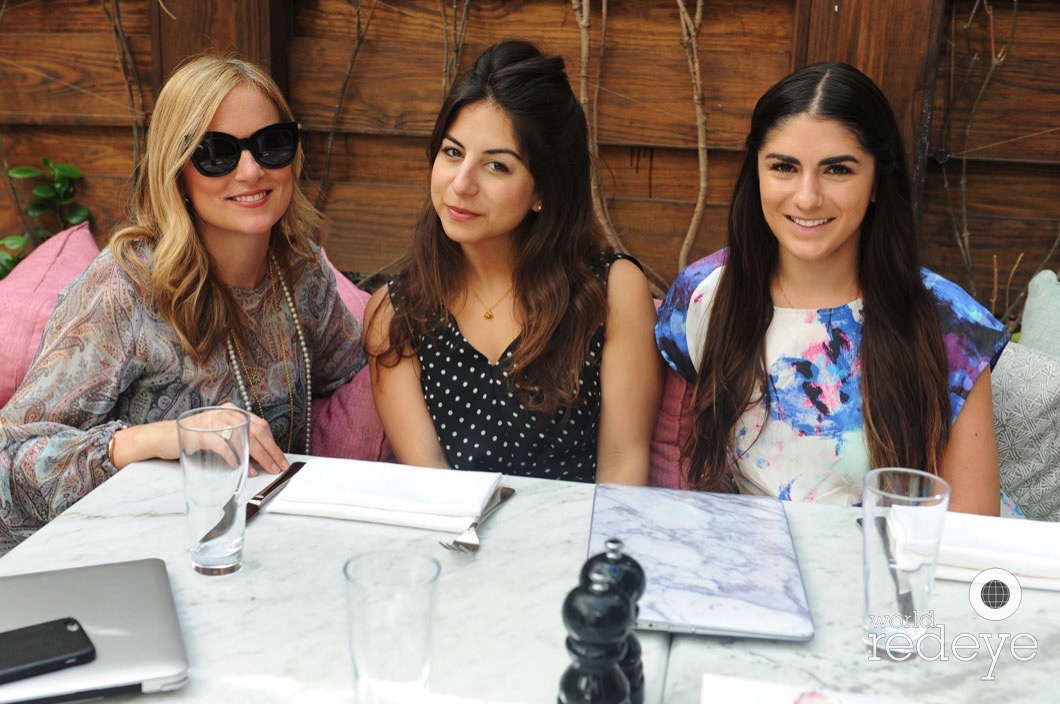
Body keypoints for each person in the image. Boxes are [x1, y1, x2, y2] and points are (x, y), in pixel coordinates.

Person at [0, 55, 364, 553]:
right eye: (217, 153)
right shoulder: (126, 286)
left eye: (271, 144)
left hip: (252, 550)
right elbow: (9, 459)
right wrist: (156, 439)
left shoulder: (299, 270)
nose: (252, 170)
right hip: (112, 561)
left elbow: (356, 373)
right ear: (178, 171)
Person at [656, 62, 1008, 515]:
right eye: (783, 166)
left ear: (878, 180)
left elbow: (972, 529)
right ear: (756, 173)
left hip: (892, 571)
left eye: (837, 170)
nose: (807, 197)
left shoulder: (950, 324)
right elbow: (671, 467)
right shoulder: (702, 297)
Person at [365, 40, 663, 484]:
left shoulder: (611, 290)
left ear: (544, 189)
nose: (461, 184)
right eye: (452, 153)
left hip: (578, 541)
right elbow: (429, 480)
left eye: (497, 166)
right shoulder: (395, 313)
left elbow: (622, 468)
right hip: (460, 543)